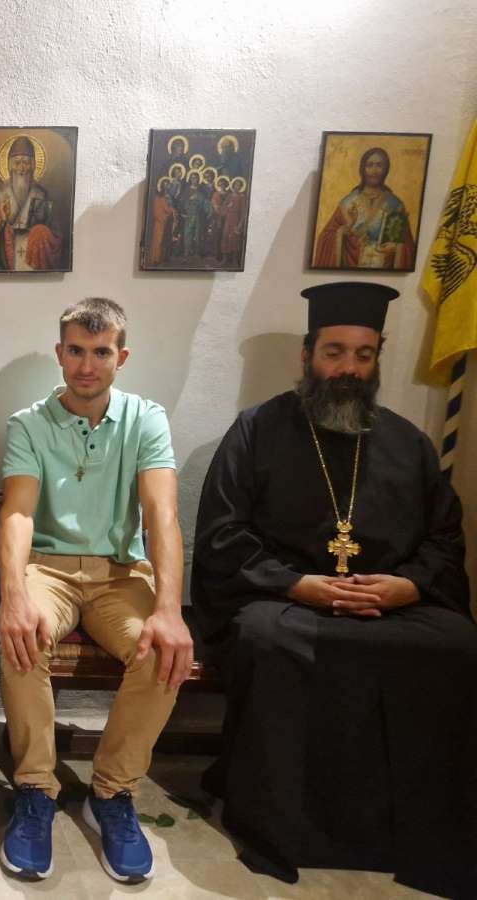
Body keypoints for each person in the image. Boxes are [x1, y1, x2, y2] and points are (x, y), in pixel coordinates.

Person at [191, 281, 477, 896]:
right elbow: (222, 534)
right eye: (335, 352)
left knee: (455, 642)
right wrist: (297, 585)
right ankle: (280, 824)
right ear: (308, 354)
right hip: (286, 603)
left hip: (390, 606)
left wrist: (408, 585)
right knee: (265, 641)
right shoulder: (258, 430)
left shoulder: (409, 443)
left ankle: (412, 828)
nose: (348, 368)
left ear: (377, 358)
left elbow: (444, 537)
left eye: (363, 355)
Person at [0, 297, 192, 884]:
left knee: (163, 650)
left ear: (121, 357)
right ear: (60, 353)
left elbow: (161, 515)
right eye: (77, 351)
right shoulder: (28, 424)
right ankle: (35, 788)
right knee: (22, 635)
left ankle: (111, 792)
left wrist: (169, 609)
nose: (87, 366)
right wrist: (13, 596)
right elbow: (18, 513)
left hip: (120, 572)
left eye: (101, 352)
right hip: (48, 569)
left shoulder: (146, 419)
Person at [313, 147, 417, 269]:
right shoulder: (348, 203)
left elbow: (408, 245)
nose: (374, 171)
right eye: (369, 165)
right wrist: (343, 232)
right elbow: (326, 237)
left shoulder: (396, 204)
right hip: (349, 270)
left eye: (379, 165)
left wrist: (397, 248)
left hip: (384, 270)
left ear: (386, 169)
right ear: (363, 168)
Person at [0, 134, 63, 270]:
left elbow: (56, 235)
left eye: (26, 163)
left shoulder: (42, 195)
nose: (22, 169)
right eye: (17, 163)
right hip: (6, 260)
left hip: (35, 263)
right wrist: (1, 225)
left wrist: (41, 232)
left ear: (32, 166)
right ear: (10, 166)